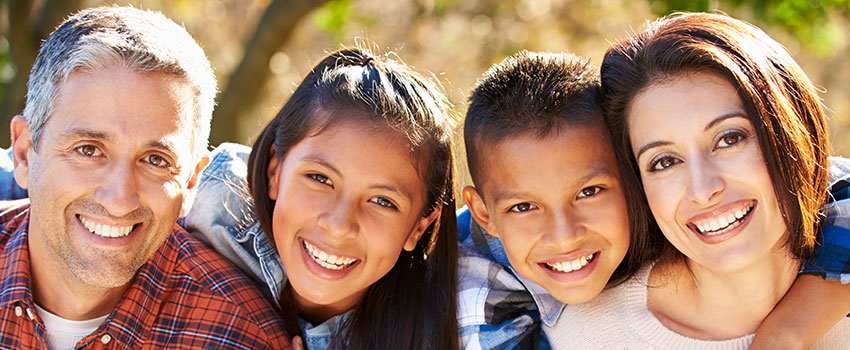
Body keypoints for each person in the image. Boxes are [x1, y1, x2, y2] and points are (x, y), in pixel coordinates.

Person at [544, 12, 850, 348]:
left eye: (729, 139)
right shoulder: (585, 337)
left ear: (792, 133)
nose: (704, 190)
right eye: (664, 162)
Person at [2, 6, 290, 349]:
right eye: (88, 150)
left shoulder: (240, 336)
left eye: (155, 160)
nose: (119, 199)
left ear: (191, 181)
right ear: (24, 152)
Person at [184, 48, 459, 349]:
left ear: (418, 227)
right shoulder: (209, 201)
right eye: (320, 179)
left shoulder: (443, 328)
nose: (339, 225)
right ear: (275, 171)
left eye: (382, 201)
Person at [456, 51, 649, 349]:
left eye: (588, 192)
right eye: (523, 207)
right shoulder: (476, 292)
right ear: (484, 215)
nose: (564, 236)